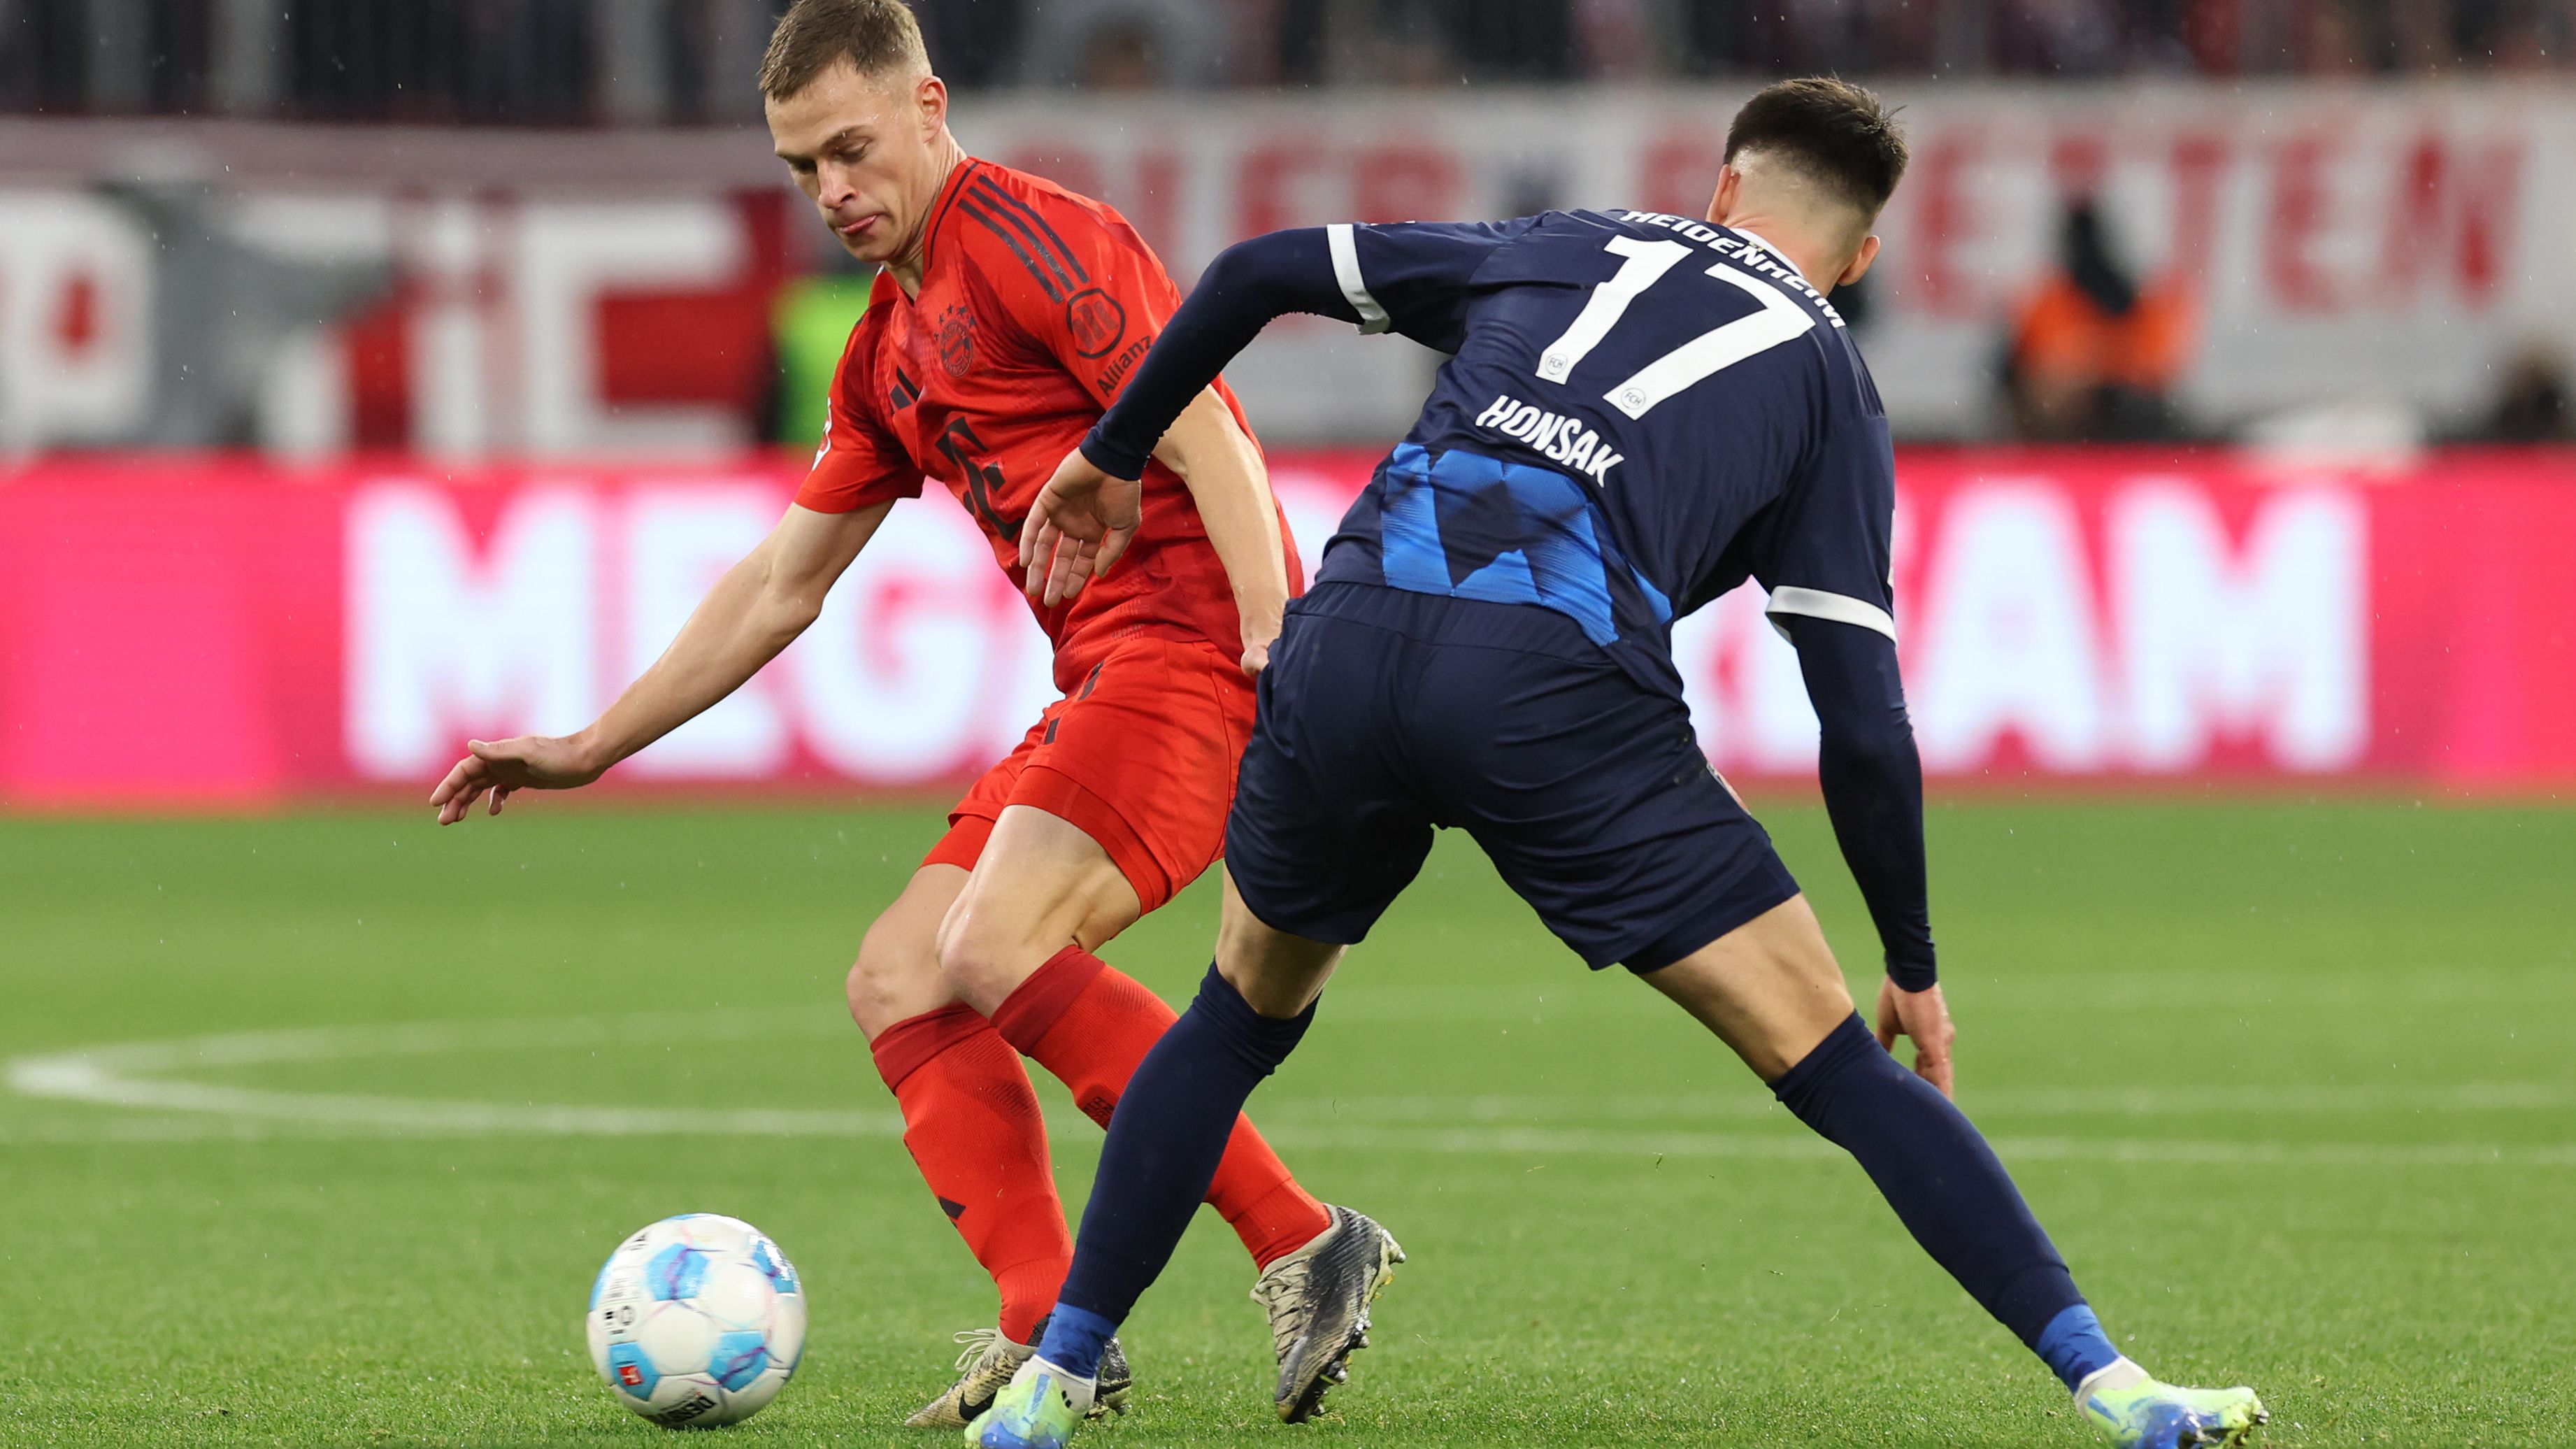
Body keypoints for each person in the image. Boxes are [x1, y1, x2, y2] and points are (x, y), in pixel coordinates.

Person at [972, 78, 2269, 1449]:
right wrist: (1913, 955)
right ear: (1861, 257)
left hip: (1346, 638)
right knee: (1838, 1068)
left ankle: (1052, 1386)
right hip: (1547, 692)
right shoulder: (1830, 379)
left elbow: (1252, 272)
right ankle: (2119, 1392)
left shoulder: (1567, 241)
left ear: (1724, 187)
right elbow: (1865, 724)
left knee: (1231, 1024)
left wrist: (1113, 453)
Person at [423, 0, 1397, 1428]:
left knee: (992, 944)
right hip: (1109, 676)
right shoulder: (882, 347)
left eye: (854, 150)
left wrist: (1270, 638)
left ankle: (1303, 1240)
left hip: (1195, 656)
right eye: (803, 167)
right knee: (900, 975)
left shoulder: (1037, 240)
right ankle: (1049, 1320)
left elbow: (1202, 428)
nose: (832, 191)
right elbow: (779, 585)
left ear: (930, 107)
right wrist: (587, 745)